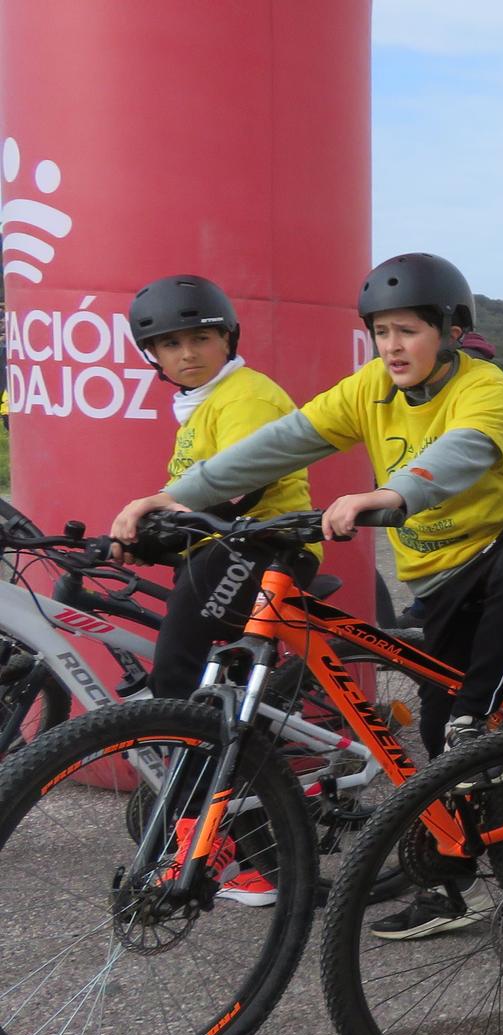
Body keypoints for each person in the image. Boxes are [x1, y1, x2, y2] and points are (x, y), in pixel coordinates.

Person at [118, 253, 503, 939]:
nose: (392, 347)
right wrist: (170, 497)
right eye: (381, 333)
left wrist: (392, 491)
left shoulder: (486, 387)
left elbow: (465, 451)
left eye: (408, 331)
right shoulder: (368, 389)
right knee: (432, 727)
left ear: (449, 330)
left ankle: (482, 725)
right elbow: (286, 440)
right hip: (438, 576)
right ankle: (454, 886)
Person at [105, 273, 319, 908]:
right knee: (206, 694)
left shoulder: (246, 396)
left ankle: (217, 840)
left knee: (182, 687)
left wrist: (156, 518)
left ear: (228, 337)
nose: (187, 353)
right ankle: (234, 828)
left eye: (200, 338)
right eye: (169, 345)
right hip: (226, 548)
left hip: (263, 548)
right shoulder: (203, 402)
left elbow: (239, 486)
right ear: (155, 358)